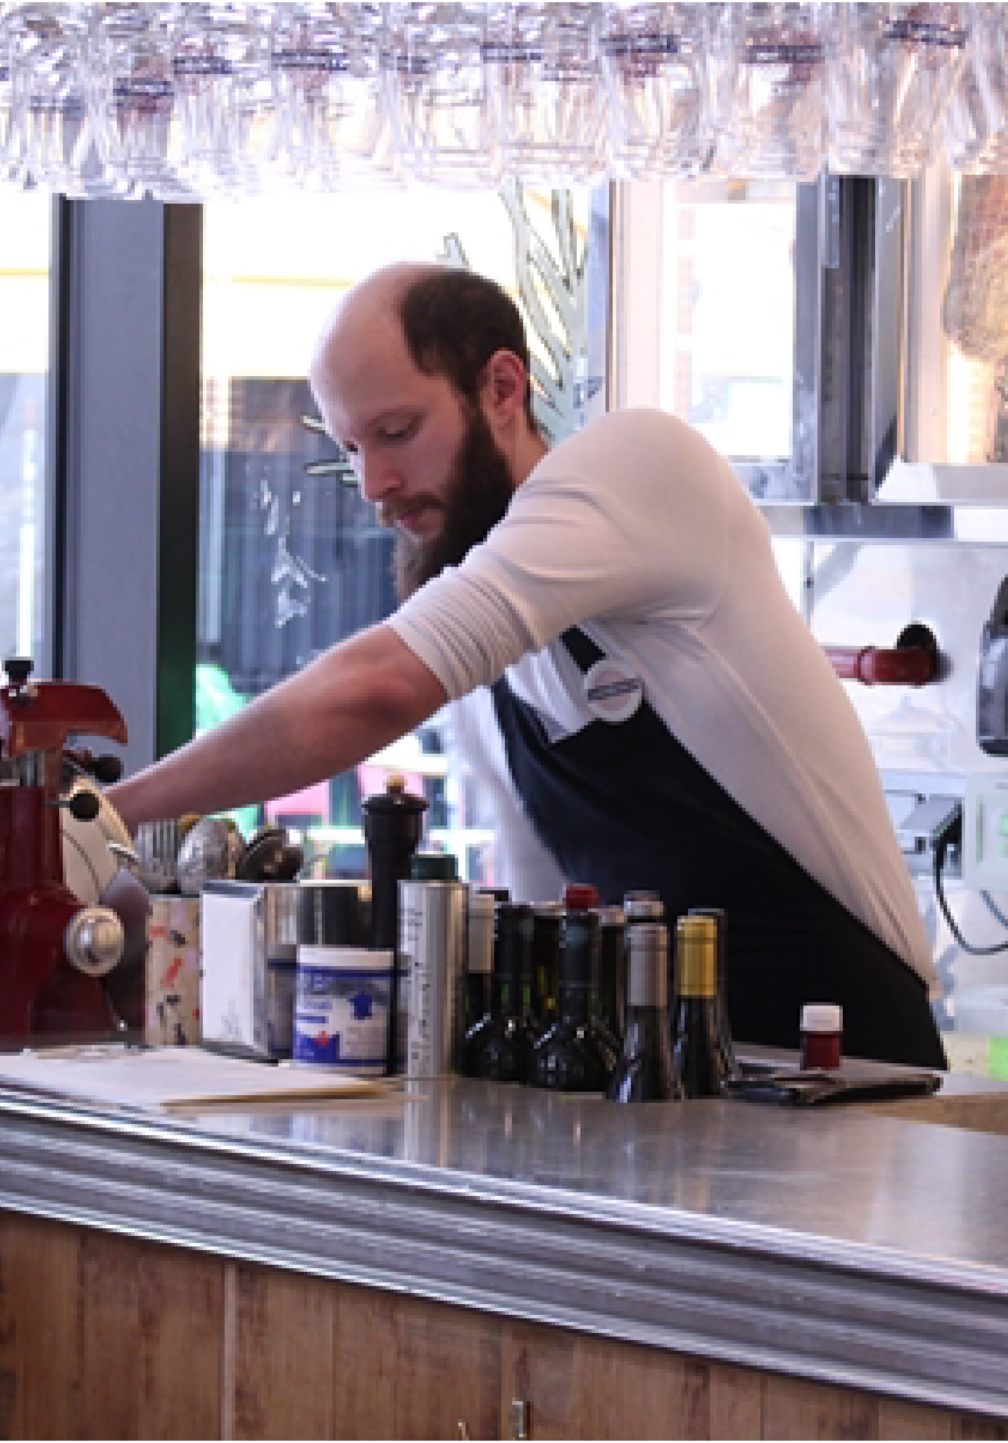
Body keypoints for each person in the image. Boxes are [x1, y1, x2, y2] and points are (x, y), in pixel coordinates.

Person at [107, 263, 943, 1068]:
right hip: (676, 1088)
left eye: (398, 432)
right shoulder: (486, 667)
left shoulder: (642, 465)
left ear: (502, 388)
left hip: (847, 1068)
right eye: (352, 448)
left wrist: (101, 819)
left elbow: (374, 688)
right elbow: (547, 911)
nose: (375, 483)